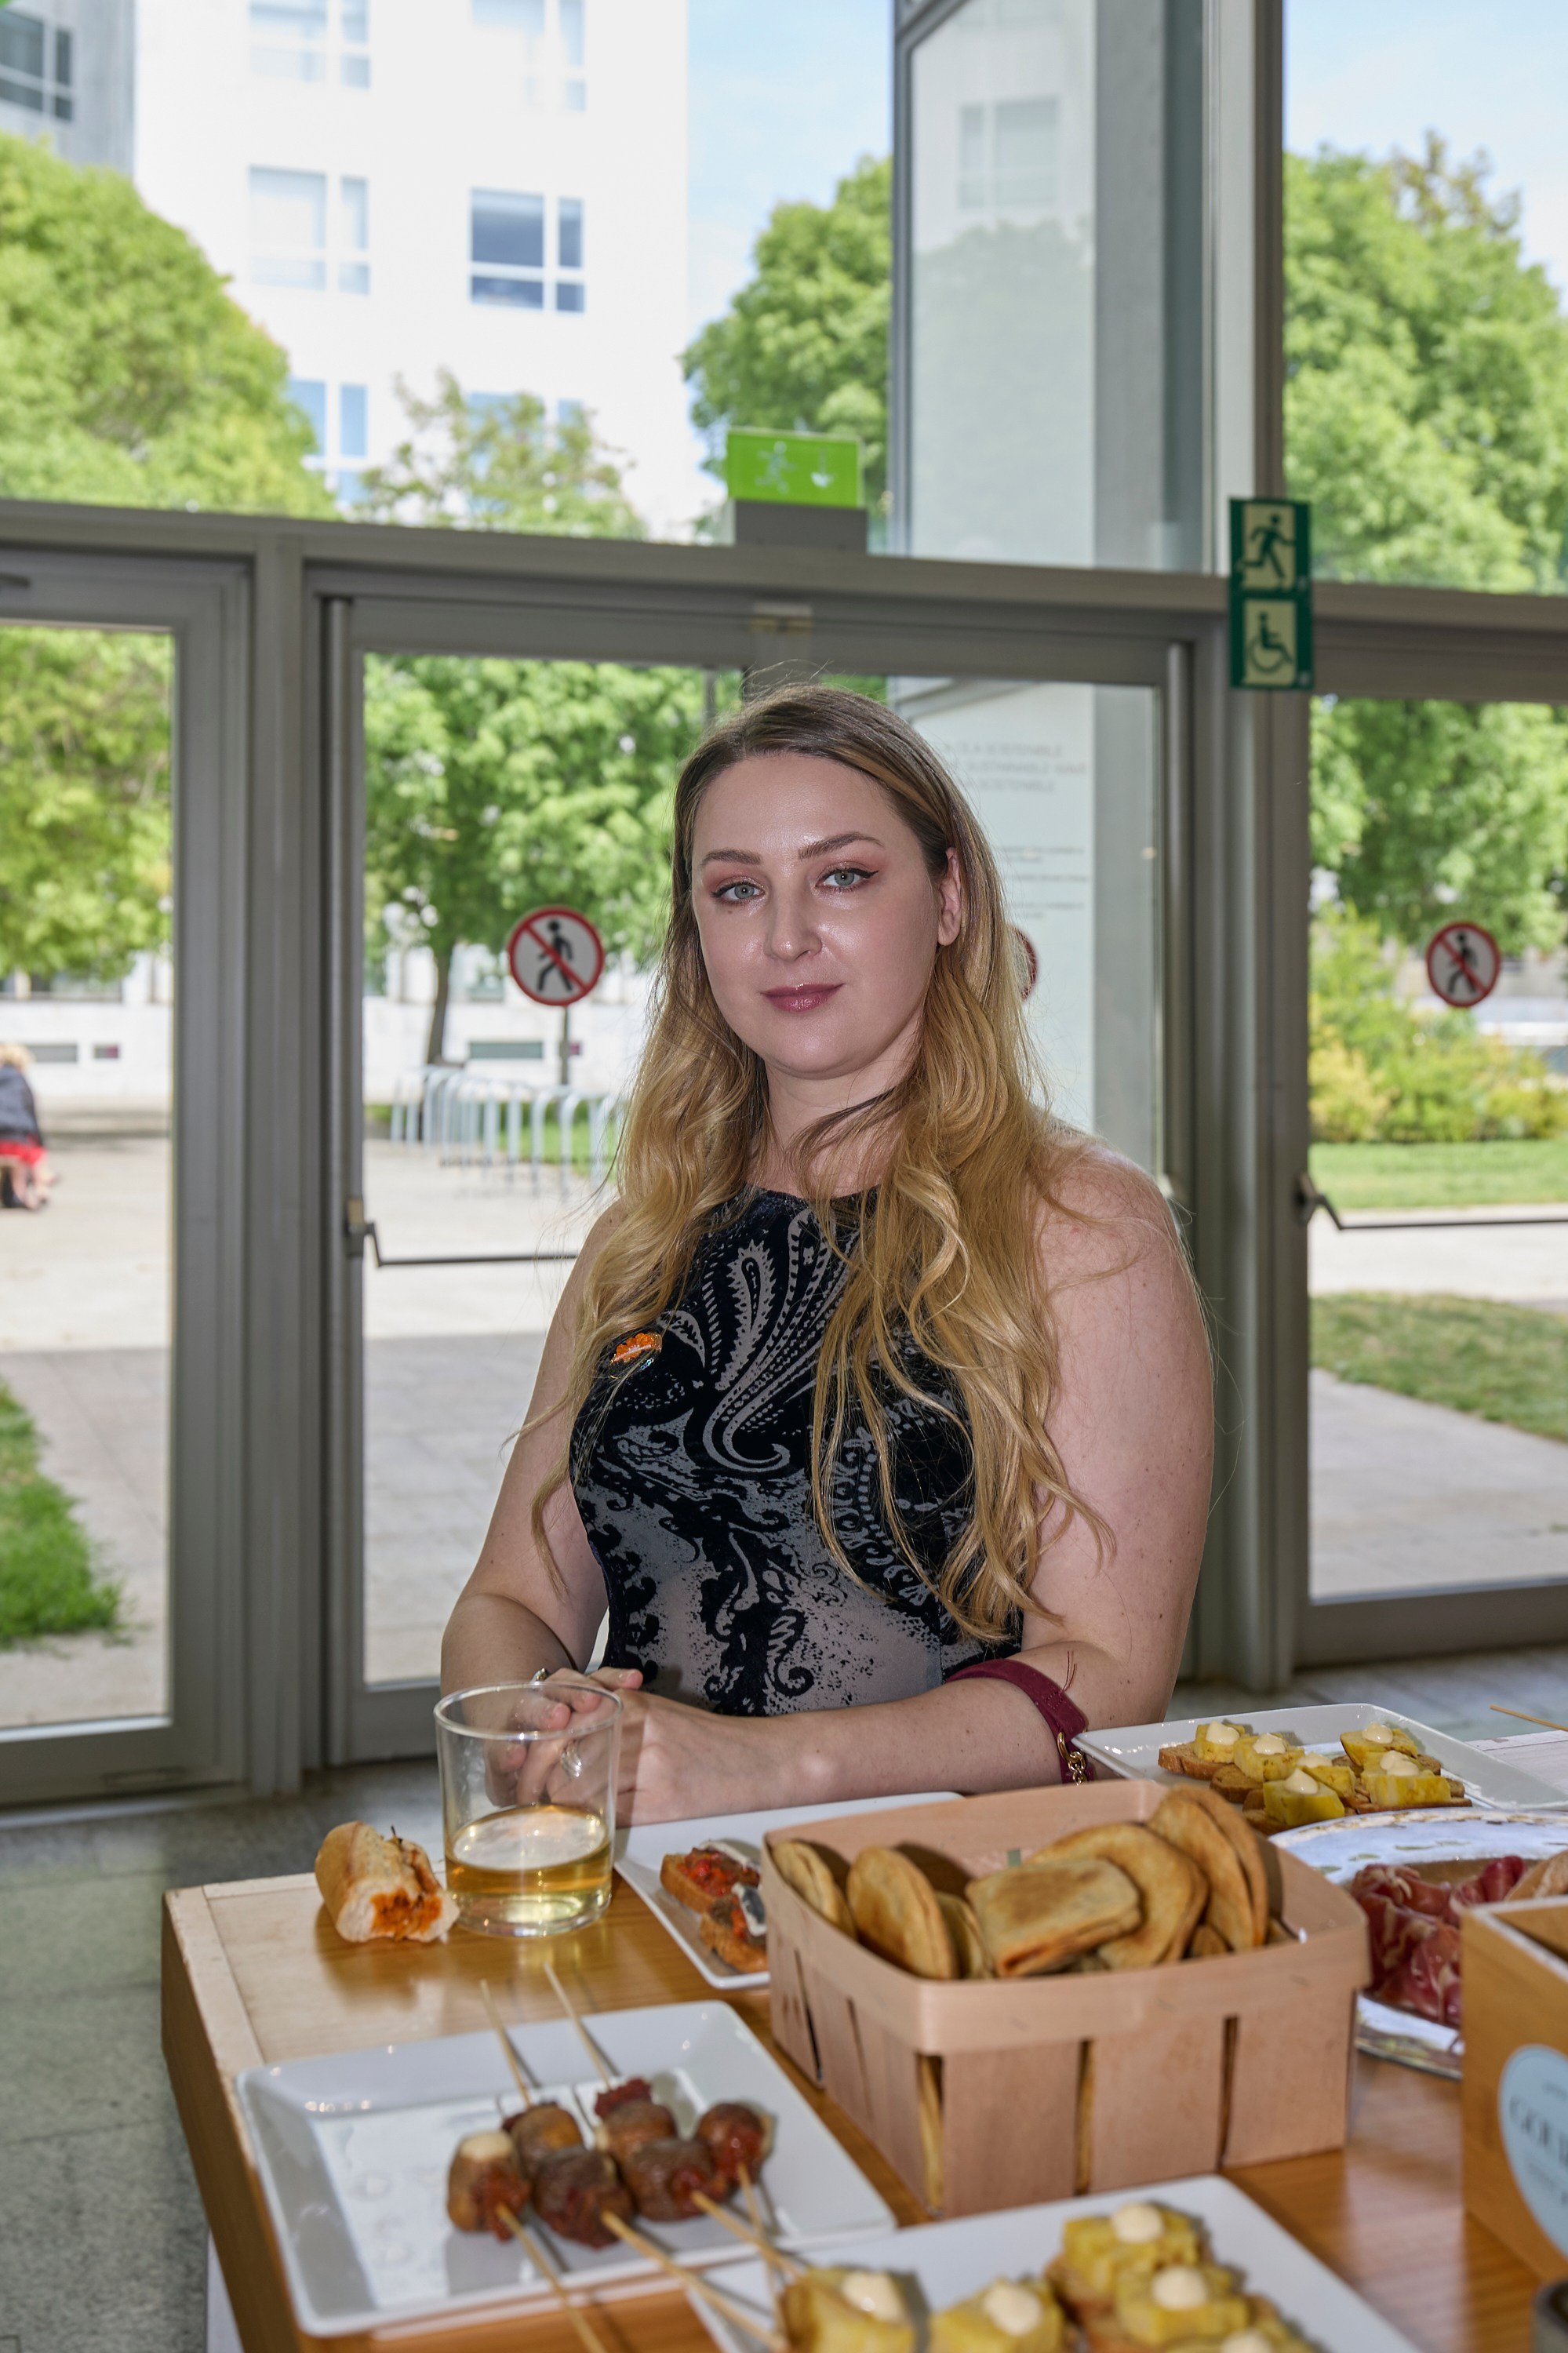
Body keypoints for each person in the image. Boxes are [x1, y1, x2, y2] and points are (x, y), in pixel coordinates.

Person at [442, 686, 1213, 1824]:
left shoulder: (1078, 1224)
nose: (785, 936)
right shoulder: (642, 1239)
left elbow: (1106, 1677)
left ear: (948, 899)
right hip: (650, 1894)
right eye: (738, 888)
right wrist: (535, 1716)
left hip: (942, 1914)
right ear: (696, 934)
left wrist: (763, 1765)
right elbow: (511, 1594)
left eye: (842, 877)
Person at [0, 1042, 52, 1210]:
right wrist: (40, 1141)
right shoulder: (21, 1081)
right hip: (17, 1139)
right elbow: (31, 1113)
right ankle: (36, 1191)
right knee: (33, 1154)